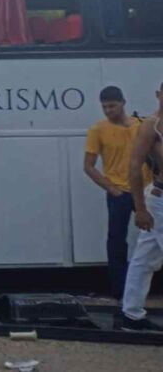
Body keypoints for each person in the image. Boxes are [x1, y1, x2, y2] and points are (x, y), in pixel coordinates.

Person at [84, 86, 145, 299]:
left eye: (112, 106)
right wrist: (111, 188)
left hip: (145, 191)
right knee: (117, 240)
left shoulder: (141, 126)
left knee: (154, 236)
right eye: (105, 107)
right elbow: (89, 166)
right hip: (119, 192)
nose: (108, 111)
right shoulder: (97, 130)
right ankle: (120, 291)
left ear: (123, 102)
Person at [120, 81, 163, 331]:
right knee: (144, 258)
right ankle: (131, 313)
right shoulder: (151, 126)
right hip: (159, 201)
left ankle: (132, 314)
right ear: (158, 95)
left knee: (144, 258)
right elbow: (134, 167)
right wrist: (140, 209)